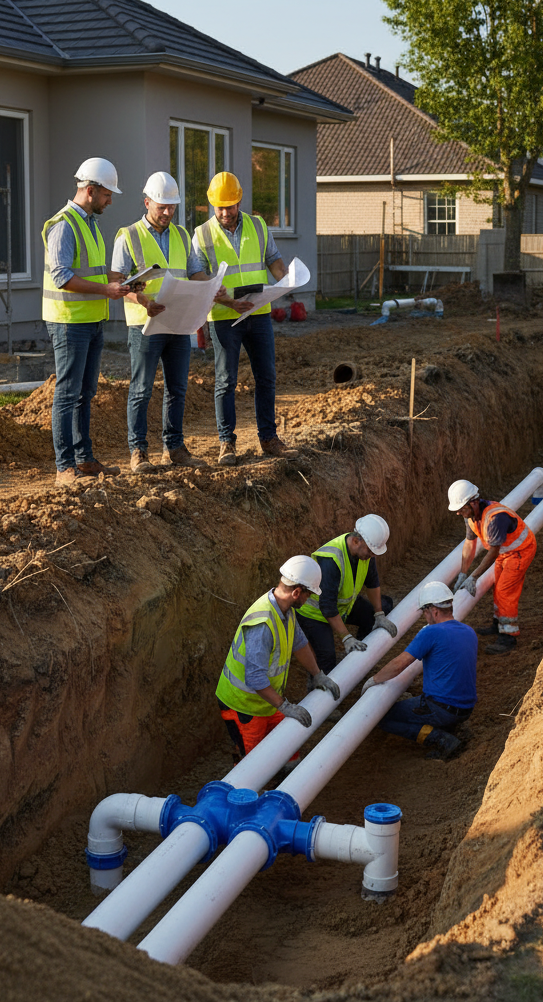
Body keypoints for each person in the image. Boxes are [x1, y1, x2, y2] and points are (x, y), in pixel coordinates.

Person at [191, 171, 298, 466]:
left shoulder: (258, 226)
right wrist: (226, 300)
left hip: (258, 312)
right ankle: (226, 443)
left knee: (266, 376)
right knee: (226, 380)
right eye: (220, 208)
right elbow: (197, 275)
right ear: (212, 205)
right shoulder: (202, 234)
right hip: (224, 316)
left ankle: (269, 438)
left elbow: (273, 260)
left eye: (230, 206)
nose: (225, 213)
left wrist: (286, 279)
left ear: (239, 202)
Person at [110, 172, 208, 472]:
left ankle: (174, 448)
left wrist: (211, 286)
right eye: (161, 206)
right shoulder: (128, 236)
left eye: (171, 207)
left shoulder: (182, 235)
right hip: (144, 324)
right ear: (147, 202)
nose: (167, 212)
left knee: (177, 388)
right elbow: (116, 283)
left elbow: (194, 272)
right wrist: (143, 301)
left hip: (177, 322)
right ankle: (138, 452)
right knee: (141, 389)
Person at [42, 157, 129, 485]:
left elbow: (91, 272)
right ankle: (64, 467)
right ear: (90, 190)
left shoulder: (90, 224)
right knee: (67, 394)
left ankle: (85, 460)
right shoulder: (64, 225)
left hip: (91, 320)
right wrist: (106, 289)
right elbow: (62, 277)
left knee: (85, 393)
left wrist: (121, 283)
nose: (110, 201)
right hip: (69, 322)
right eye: (107, 194)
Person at [216, 555, 341, 762]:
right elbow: (255, 678)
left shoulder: (285, 610)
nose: (309, 599)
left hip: (265, 700)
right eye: (308, 594)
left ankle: (288, 772)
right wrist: (284, 706)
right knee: (253, 763)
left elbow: (300, 643)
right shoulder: (262, 624)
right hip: (243, 705)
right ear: (296, 592)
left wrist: (318, 675)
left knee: (288, 746)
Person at [362, 581, 477, 760]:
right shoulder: (469, 632)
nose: (424, 615)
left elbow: (399, 664)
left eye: (424, 611)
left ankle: (440, 739)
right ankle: (448, 727)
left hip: (440, 709)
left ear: (434, 610)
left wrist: (374, 680)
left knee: (382, 718)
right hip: (466, 708)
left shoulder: (431, 632)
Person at [296, 514, 398, 674]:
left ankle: (359, 662)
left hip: (341, 606)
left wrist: (379, 614)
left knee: (376, 612)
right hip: (314, 614)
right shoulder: (331, 560)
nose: (372, 556)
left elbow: (372, 583)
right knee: (327, 658)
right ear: (356, 541)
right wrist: (346, 637)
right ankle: (317, 684)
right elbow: (327, 606)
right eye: (370, 551)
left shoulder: (365, 553)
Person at [447, 478, 537, 655]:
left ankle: (508, 636)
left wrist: (474, 577)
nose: (458, 513)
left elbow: (493, 552)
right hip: (506, 551)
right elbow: (469, 544)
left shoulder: (495, 518)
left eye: (461, 508)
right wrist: (463, 574)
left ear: (473, 502)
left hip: (520, 550)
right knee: (498, 587)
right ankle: (498, 624)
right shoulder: (471, 516)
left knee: (505, 591)